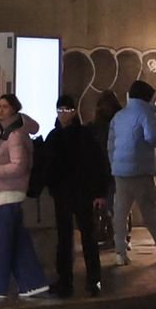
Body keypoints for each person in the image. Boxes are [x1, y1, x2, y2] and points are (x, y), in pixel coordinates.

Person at [42, 92, 108, 296]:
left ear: (73, 112)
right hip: (66, 193)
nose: (63, 114)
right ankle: (69, 280)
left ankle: (91, 280)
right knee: (66, 238)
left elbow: (97, 163)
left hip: (80, 192)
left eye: (67, 110)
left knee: (86, 236)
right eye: (60, 110)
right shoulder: (58, 136)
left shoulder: (82, 135)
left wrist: (99, 192)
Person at [108, 80, 156, 272]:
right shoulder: (146, 113)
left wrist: (114, 165)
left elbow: (111, 143)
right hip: (141, 171)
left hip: (120, 172)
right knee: (150, 213)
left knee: (120, 213)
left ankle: (120, 252)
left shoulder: (119, 115)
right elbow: (153, 138)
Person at [0, 107, 47, 300]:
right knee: (19, 242)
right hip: (7, 193)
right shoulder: (8, 135)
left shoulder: (15, 136)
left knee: (1, 244)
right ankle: (33, 283)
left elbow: (18, 166)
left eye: (2, 107)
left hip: (9, 194)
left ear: (13, 111)